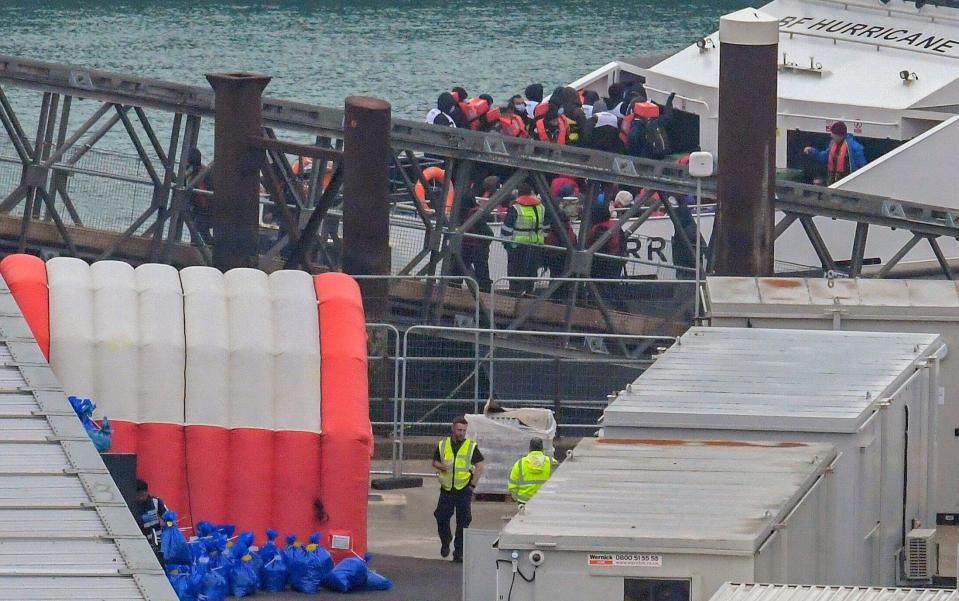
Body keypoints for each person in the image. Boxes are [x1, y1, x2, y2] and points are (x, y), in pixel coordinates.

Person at [433, 417, 484, 563]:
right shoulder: (443, 445)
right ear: (453, 428)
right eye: (459, 430)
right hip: (447, 489)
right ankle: (446, 540)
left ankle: (459, 552)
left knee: (463, 521)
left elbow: (480, 466)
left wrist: (472, 486)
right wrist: (441, 466)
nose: (461, 433)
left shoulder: (470, 446)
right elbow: (434, 461)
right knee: (441, 517)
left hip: (463, 489)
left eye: (464, 430)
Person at [501, 183, 546, 295]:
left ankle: (515, 293)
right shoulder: (541, 207)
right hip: (536, 245)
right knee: (531, 270)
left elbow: (506, 228)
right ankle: (529, 293)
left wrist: (506, 244)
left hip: (517, 246)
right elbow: (545, 227)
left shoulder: (515, 208)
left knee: (515, 271)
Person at [453, 195, 493, 292]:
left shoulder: (475, 215)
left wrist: (481, 244)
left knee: (480, 269)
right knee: (458, 266)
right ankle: (454, 286)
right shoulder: (468, 214)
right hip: (468, 244)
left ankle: (484, 290)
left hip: (477, 246)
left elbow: (488, 233)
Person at [508, 438, 556, 505]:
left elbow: (512, 486)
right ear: (542, 449)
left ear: (529, 449)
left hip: (524, 500)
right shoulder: (551, 462)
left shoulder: (520, 463)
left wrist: (517, 499)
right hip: (545, 500)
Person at [135, 479, 168, 561]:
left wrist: (170, 525)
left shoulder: (156, 501)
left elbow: (167, 517)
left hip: (158, 541)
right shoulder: (132, 505)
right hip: (142, 542)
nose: (141, 498)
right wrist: (141, 519)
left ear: (146, 492)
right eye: (139, 496)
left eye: (143, 495)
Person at [186, 148, 213, 246]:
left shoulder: (205, 173)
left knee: (199, 225)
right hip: (197, 206)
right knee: (194, 223)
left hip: (207, 208)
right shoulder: (189, 172)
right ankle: (197, 245)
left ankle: (206, 247)